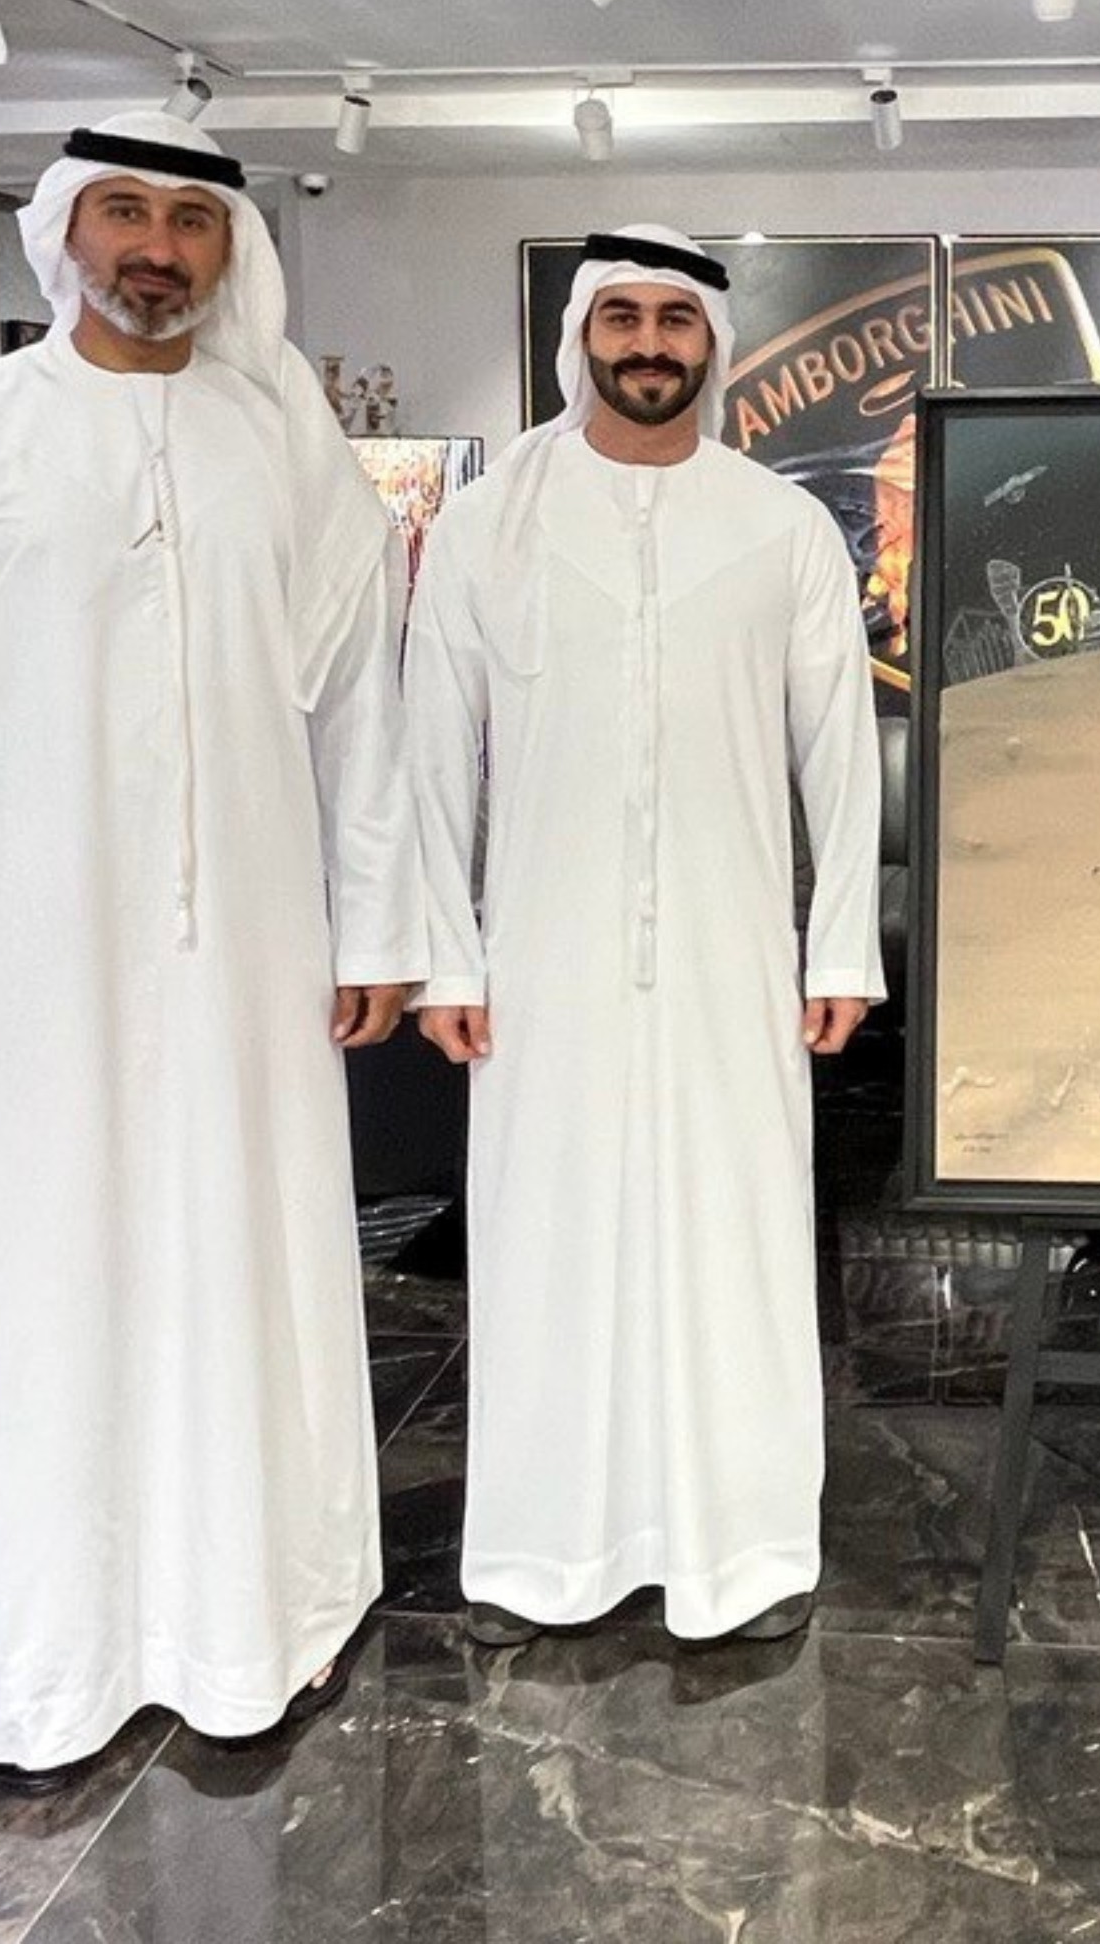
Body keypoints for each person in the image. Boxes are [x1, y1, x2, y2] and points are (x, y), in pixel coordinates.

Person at [0, 110, 423, 1786]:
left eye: (191, 220)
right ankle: (47, 1649)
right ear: (67, 231)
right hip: (30, 955)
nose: (157, 248)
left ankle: (254, 1619)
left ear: (231, 248)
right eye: (126, 213)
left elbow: (359, 699)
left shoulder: (283, 442)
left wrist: (378, 920)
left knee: (251, 1264)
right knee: (47, 1278)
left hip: (252, 950)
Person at [407, 226, 882, 1648]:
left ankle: (741, 1549)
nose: (650, 344)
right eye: (623, 317)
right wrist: (445, 953)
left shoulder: (781, 525)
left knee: (735, 1245)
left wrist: (838, 949)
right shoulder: (491, 523)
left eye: (677, 320)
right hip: (540, 964)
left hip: (735, 964)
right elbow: (430, 750)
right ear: (582, 337)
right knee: (546, 1247)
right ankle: (543, 1552)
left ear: (711, 346)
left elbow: (838, 752)